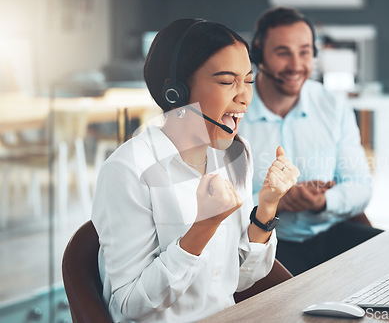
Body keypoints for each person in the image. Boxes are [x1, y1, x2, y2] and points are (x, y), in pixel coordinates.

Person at [91, 19, 299, 322]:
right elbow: (131, 304)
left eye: (248, 81)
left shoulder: (235, 156)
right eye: (228, 81)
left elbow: (237, 280)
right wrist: (203, 227)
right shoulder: (127, 170)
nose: (244, 96)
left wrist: (267, 207)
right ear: (175, 92)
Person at [238, 7, 382, 276]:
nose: (296, 65)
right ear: (258, 54)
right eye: (283, 52)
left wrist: (323, 201)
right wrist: (274, 201)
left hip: (328, 234)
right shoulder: (236, 112)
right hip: (266, 243)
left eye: (304, 52)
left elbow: (360, 187)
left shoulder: (332, 106)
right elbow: (218, 200)